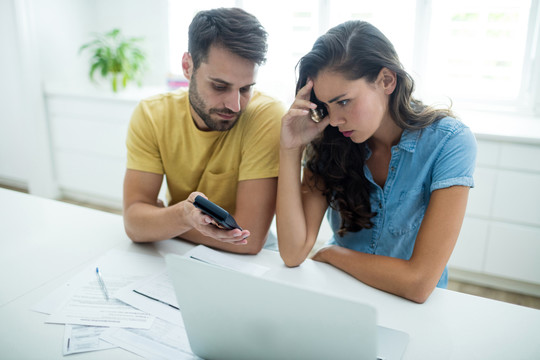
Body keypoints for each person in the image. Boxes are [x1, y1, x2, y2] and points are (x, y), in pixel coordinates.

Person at [277, 20, 477, 303]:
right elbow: (293, 251)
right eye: (326, 107)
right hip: (341, 294)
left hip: (409, 307)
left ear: (386, 80)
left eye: (344, 101)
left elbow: (418, 283)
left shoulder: (450, 142)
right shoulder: (330, 141)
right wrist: (290, 149)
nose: (334, 120)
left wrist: (334, 253)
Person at [123, 8, 285, 254]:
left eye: (245, 88)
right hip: (177, 246)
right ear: (188, 66)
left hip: (244, 255)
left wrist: (160, 222)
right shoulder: (152, 115)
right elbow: (134, 225)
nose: (235, 105)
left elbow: (249, 240)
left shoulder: (266, 116)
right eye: (220, 86)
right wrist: (183, 216)